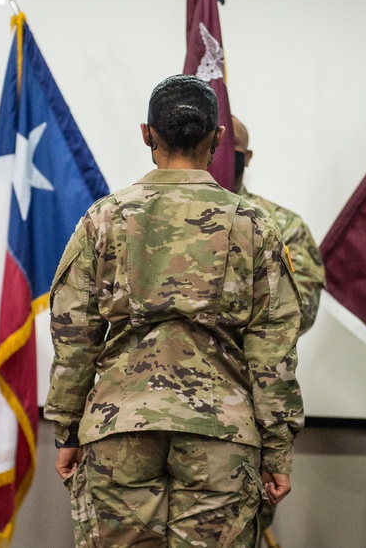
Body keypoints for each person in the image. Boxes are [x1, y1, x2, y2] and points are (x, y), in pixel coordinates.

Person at [44, 75, 305, 548]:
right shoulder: (252, 224)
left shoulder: (103, 218)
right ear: (218, 138)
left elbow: (73, 335)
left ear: (147, 134)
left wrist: (66, 430)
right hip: (220, 433)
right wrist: (278, 450)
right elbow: (274, 348)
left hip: (119, 425)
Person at [232, 115, 325, 335]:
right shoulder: (169, 215)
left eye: (232, 145)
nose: (221, 153)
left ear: (247, 156)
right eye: (214, 144)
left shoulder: (284, 224)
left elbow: (302, 309)